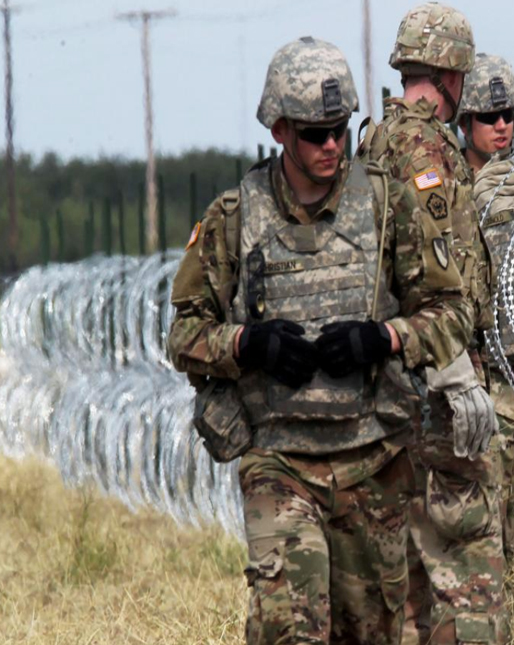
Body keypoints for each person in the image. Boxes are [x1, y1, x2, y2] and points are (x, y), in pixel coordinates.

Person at [167, 36, 480, 645]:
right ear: (280, 129)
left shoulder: (389, 207)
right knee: (291, 627)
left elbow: (451, 313)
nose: (332, 144)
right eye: (315, 133)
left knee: (377, 631)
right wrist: (245, 346)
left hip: (375, 461)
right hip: (278, 459)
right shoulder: (235, 217)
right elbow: (183, 335)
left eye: (339, 128)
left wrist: (383, 338)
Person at [358, 4, 506, 644]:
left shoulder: (374, 140)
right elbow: (432, 267)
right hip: (433, 390)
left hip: (390, 383)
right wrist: (455, 375)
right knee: (468, 582)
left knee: (412, 582)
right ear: (451, 73)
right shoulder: (424, 148)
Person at [456, 53, 514, 583]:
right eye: (489, 118)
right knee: (482, 544)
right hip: (485, 390)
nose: (502, 127)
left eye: (509, 115)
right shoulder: (449, 196)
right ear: (465, 123)